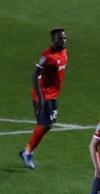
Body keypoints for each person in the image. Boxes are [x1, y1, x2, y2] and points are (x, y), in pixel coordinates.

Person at [19, 28, 68, 170]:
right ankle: (27, 153)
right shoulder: (47, 56)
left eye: (65, 38)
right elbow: (35, 76)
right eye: (60, 38)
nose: (64, 40)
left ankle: (27, 151)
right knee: (45, 124)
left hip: (54, 95)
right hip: (43, 95)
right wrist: (39, 99)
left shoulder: (64, 52)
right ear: (53, 40)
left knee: (49, 124)